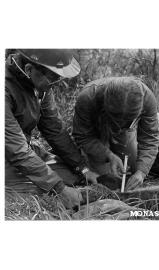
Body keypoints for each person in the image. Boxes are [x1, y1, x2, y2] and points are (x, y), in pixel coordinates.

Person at [5, 49, 95, 209]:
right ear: (29, 70)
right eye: (53, 77)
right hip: (9, 154)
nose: (58, 82)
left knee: (72, 177)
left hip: (22, 149)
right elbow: (16, 150)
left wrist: (82, 167)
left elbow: (54, 129)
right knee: (43, 193)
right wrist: (59, 189)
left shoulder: (41, 87)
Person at [72, 77, 159, 190]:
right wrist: (108, 155)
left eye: (127, 119)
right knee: (102, 179)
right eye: (118, 119)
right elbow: (83, 136)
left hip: (126, 131)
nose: (120, 123)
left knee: (130, 170)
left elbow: (150, 138)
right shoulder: (87, 98)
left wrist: (141, 172)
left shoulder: (147, 98)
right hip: (95, 130)